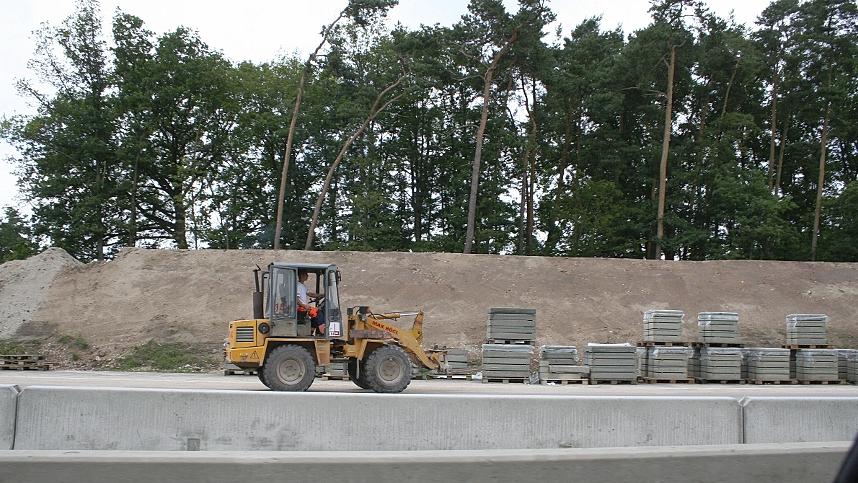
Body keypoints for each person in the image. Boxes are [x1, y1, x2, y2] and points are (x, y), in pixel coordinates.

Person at [297, 269, 326, 335]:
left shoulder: (302, 286)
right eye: (306, 274)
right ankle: (323, 330)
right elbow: (296, 299)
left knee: (314, 318)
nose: (307, 276)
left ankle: (310, 332)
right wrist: (304, 305)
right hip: (300, 309)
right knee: (318, 312)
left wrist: (322, 295)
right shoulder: (298, 286)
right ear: (301, 275)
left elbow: (310, 294)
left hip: (303, 308)